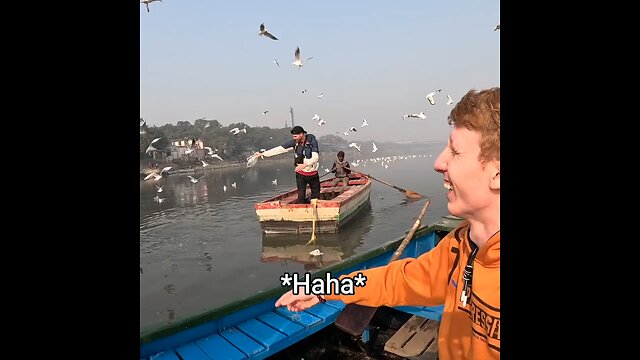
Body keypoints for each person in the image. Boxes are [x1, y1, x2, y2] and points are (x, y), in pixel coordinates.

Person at [275, 87, 500, 360]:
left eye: (455, 152)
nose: (439, 163)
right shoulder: (461, 245)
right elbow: (400, 279)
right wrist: (323, 289)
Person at [255, 125, 320, 204]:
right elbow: (280, 149)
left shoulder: (312, 141)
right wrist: (263, 154)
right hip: (300, 174)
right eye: (293, 136)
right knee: (301, 196)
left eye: (296, 136)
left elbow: (315, 158)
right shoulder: (295, 143)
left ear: (302, 134)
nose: (294, 138)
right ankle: (301, 211)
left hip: (312, 173)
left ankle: (314, 208)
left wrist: (304, 164)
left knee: (316, 195)